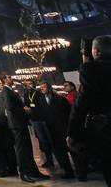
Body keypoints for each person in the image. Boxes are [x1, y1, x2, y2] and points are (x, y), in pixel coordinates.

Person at [68, 35, 111, 185]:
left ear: (96, 52)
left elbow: (83, 103)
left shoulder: (92, 69)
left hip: (106, 130)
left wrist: (72, 133)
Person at [0, 73, 48, 183]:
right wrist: (24, 109)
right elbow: (10, 107)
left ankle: (33, 172)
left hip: (20, 123)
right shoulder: (6, 91)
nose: (11, 78)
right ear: (4, 80)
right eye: (9, 77)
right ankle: (24, 173)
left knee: (27, 148)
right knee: (21, 149)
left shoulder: (10, 90)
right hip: (16, 123)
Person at [40, 82, 74, 179]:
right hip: (50, 131)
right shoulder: (41, 100)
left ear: (49, 88)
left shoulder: (60, 99)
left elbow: (68, 113)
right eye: (41, 87)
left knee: (69, 150)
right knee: (59, 152)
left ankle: (77, 171)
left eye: (44, 87)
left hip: (62, 128)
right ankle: (67, 170)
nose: (42, 89)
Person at [23, 80, 54, 168]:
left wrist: (31, 110)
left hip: (42, 119)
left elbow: (43, 107)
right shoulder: (26, 95)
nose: (29, 85)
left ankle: (52, 159)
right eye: (27, 84)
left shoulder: (39, 93)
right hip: (34, 120)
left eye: (30, 83)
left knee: (48, 140)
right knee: (41, 141)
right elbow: (26, 105)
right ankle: (48, 160)